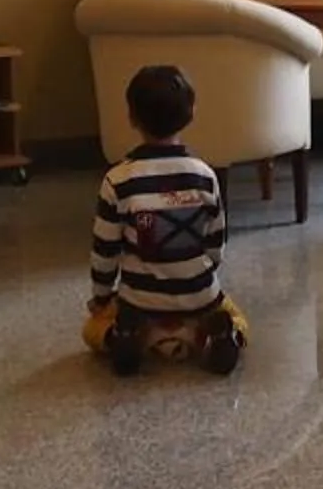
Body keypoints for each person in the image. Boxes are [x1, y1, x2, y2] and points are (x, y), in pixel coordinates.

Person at [85, 64, 249, 378]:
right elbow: (216, 244)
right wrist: (198, 276)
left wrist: (102, 298)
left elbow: (104, 251)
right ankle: (214, 337)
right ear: (192, 113)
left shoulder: (117, 179)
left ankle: (125, 336)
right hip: (198, 298)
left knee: (91, 328)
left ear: (131, 117)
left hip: (139, 303)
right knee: (236, 315)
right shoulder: (204, 175)